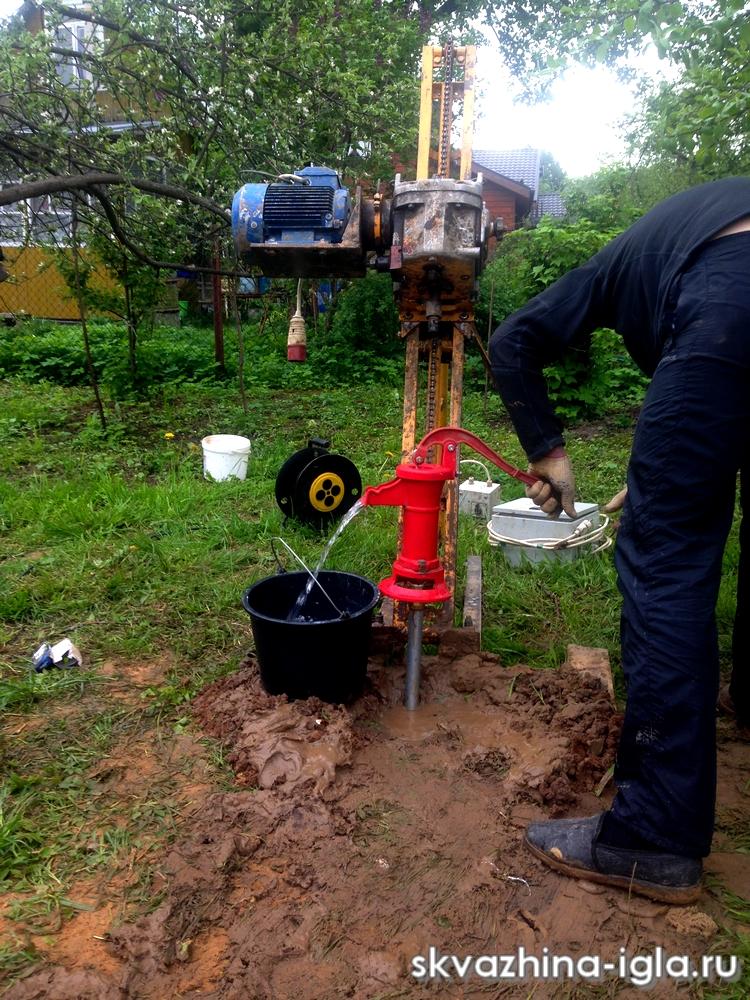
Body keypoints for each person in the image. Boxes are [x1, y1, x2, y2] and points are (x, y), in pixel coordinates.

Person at [489, 176, 750, 905]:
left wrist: (550, 455)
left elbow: (514, 342)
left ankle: (653, 839)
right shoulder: (678, 239)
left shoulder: (613, 268)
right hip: (733, 305)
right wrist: (666, 471)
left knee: (663, 560)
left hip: (735, 294)